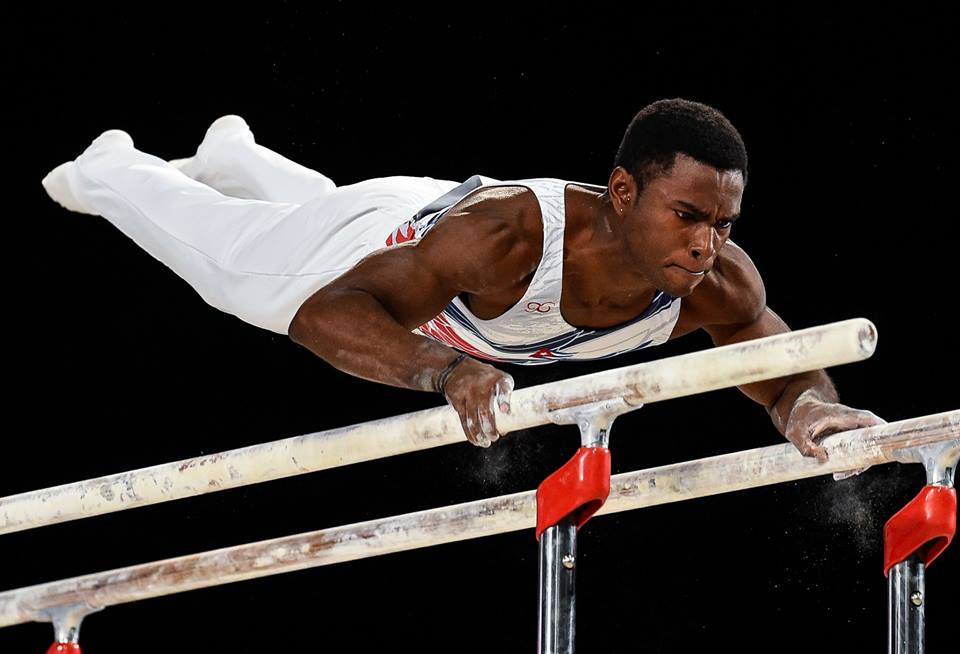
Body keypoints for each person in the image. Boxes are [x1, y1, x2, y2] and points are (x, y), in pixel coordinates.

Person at [41, 99, 883, 468]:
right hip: (367, 245)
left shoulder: (714, 283)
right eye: (689, 216)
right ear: (622, 193)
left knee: (333, 234)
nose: (708, 246)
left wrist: (809, 407)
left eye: (724, 225)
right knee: (237, 276)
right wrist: (440, 371)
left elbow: (776, 361)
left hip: (428, 221)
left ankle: (238, 160)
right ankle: (113, 170)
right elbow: (329, 311)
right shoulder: (515, 239)